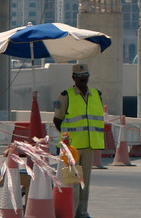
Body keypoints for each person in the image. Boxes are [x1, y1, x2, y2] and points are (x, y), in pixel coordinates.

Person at [54, 64, 104, 218]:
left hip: (89, 145)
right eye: (80, 75)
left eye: (86, 75)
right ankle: (71, 212)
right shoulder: (66, 96)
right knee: (72, 183)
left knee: (85, 183)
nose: (83, 78)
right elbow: (57, 120)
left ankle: (82, 213)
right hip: (72, 149)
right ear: (73, 77)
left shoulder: (96, 95)